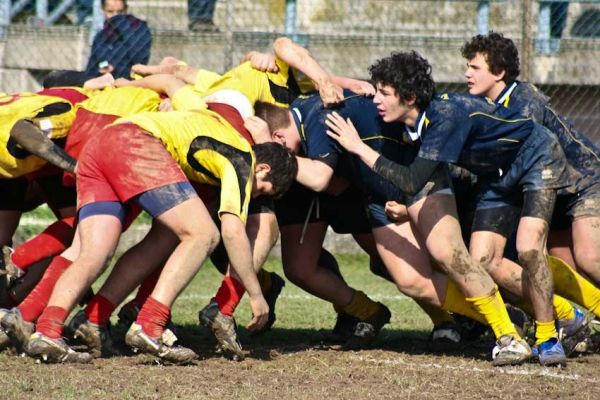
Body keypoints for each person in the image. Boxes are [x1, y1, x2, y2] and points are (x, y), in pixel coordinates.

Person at [325, 50, 577, 366]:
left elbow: (411, 179)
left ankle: (547, 335)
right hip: (496, 176)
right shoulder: (414, 123)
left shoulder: (443, 117)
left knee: (528, 249)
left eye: (385, 93)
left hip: (537, 158)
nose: (377, 99)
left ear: (410, 96)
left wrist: (358, 147)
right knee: (481, 259)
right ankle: (528, 330)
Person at [85, 0, 151, 79]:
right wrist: (100, 71)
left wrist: (115, 70)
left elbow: (140, 61)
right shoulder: (100, 37)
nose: (115, 16)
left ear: (126, 9)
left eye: (120, 12)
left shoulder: (139, 29)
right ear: (103, 10)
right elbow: (90, 70)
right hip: (104, 83)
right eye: (110, 11)